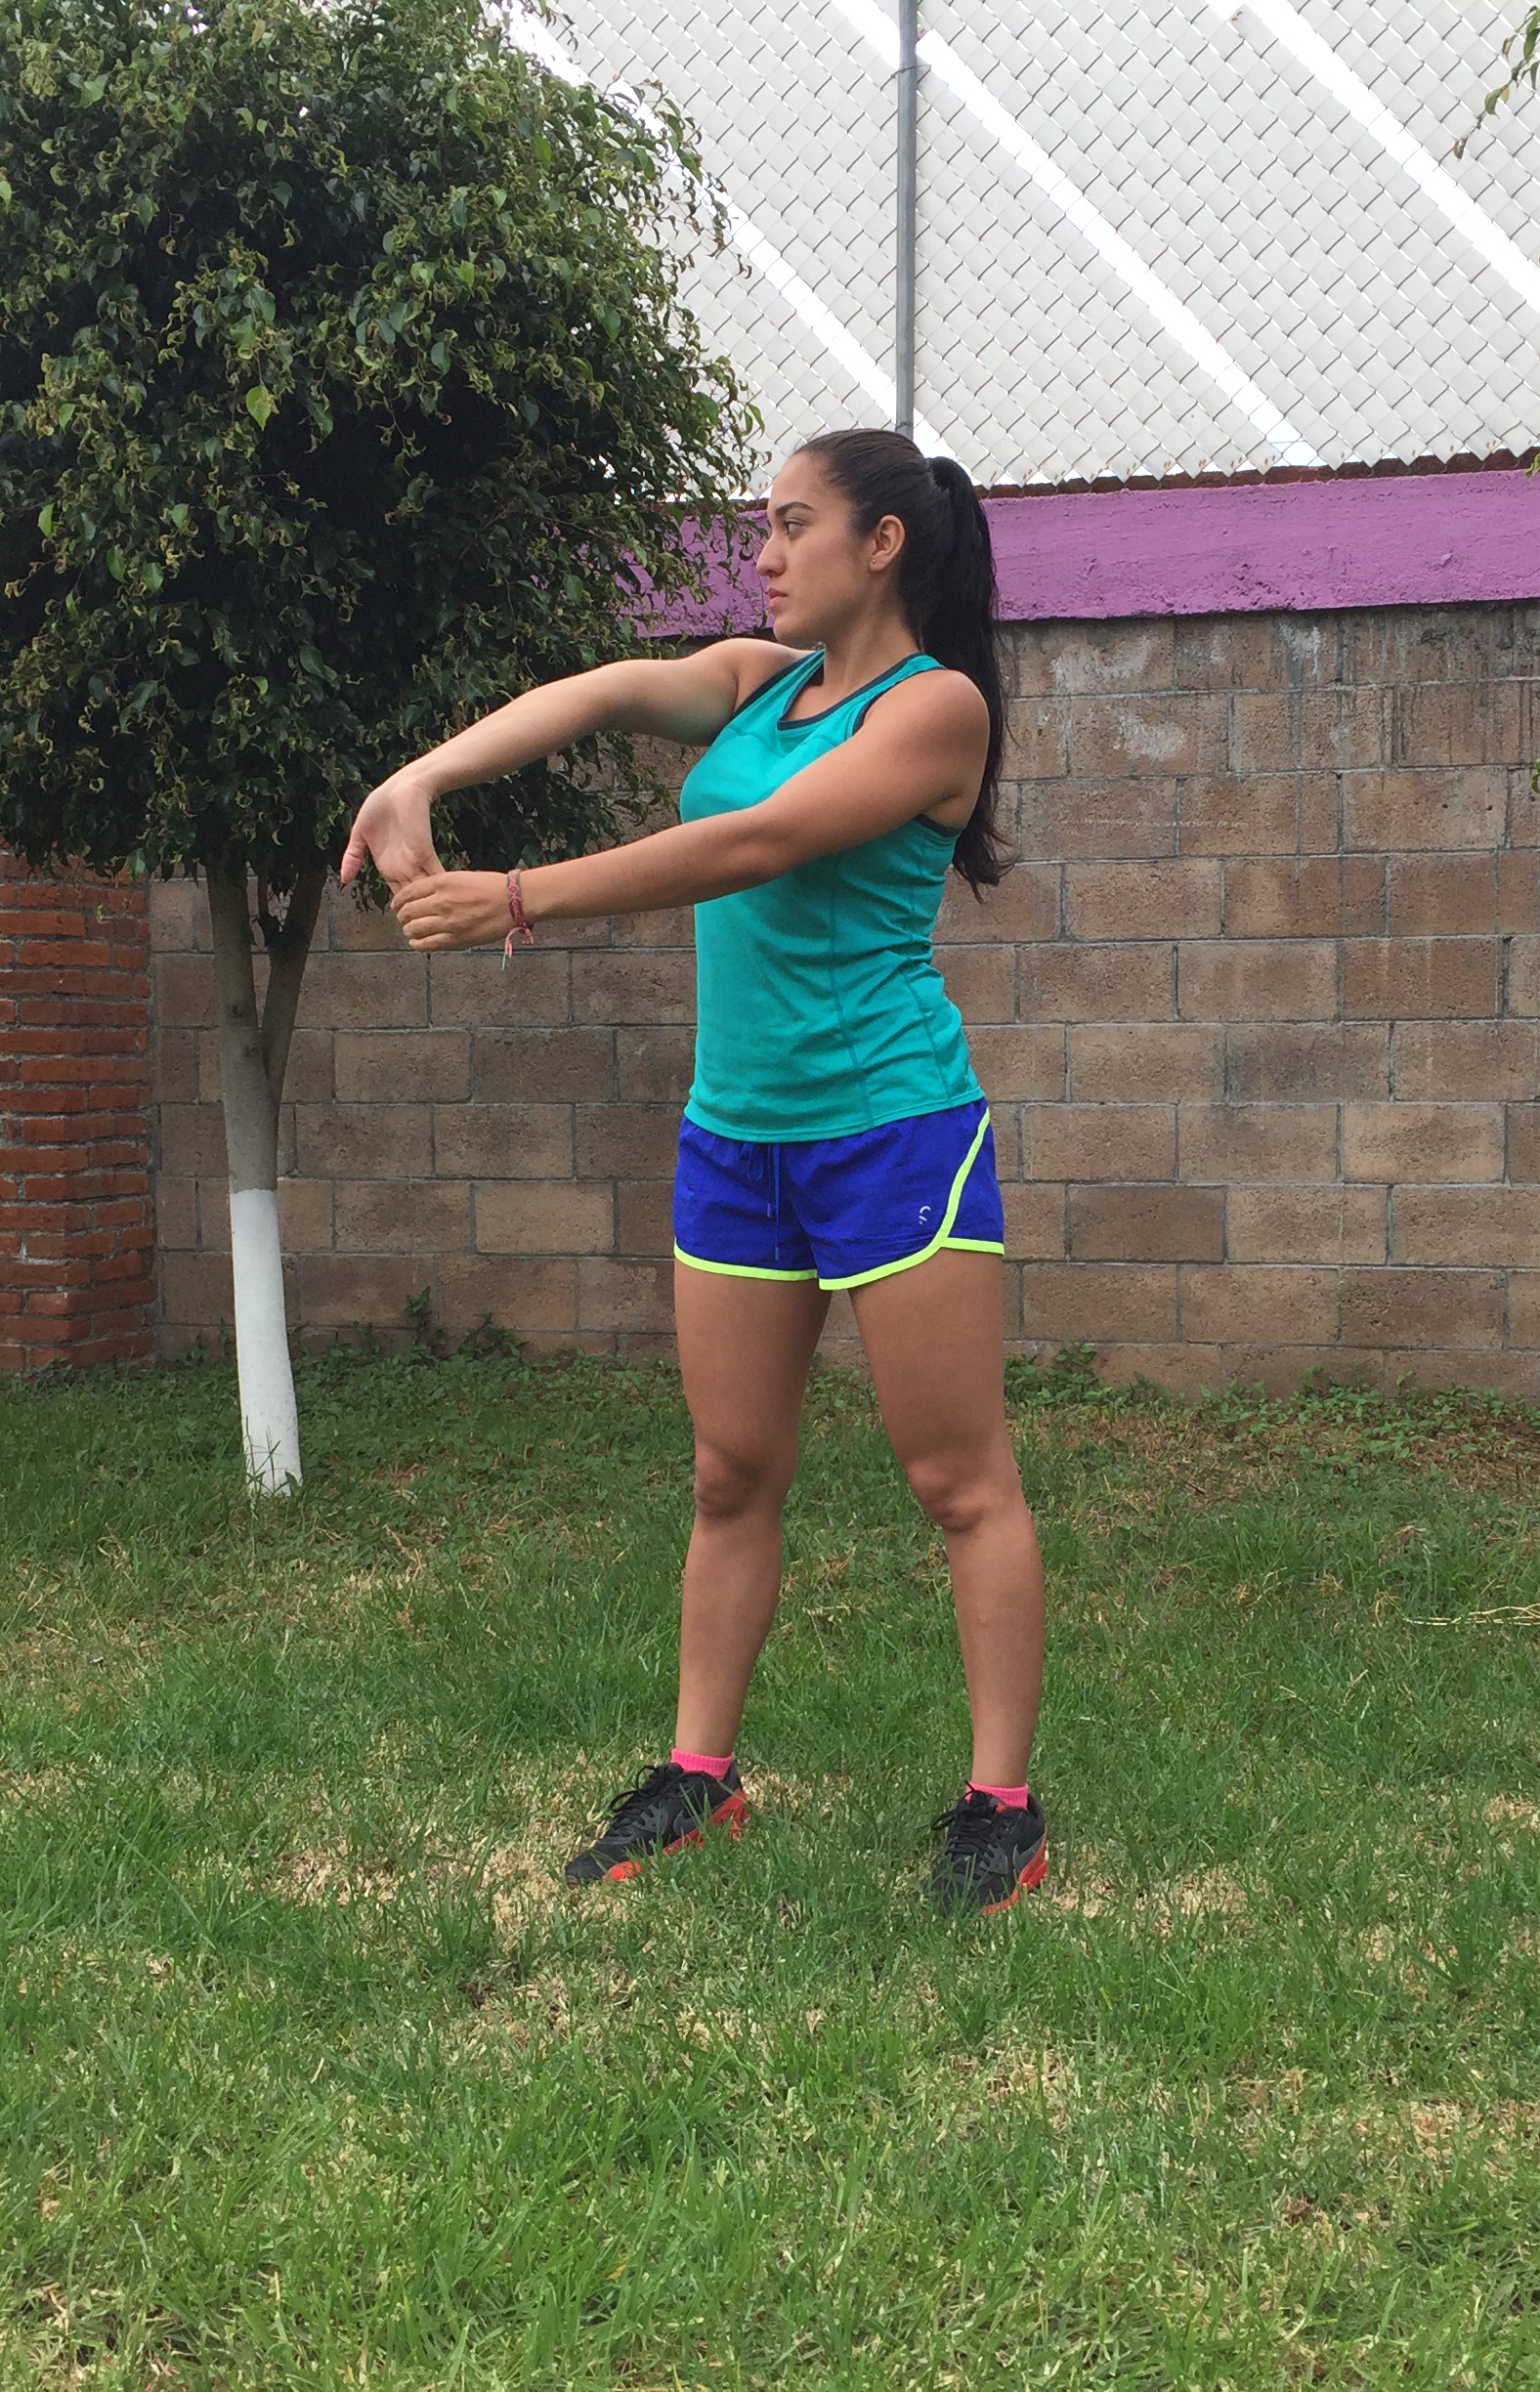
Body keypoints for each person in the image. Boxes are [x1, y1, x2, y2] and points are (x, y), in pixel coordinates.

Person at [339, 429, 1050, 1916]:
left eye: (793, 525)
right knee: (730, 1473)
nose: (764, 555)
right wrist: (422, 775)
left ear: (882, 545)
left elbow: (762, 842)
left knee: (956, 1479)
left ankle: (1002, 1806)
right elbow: (603, 692)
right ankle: (700, 1778)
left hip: (890, 1133)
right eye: (762, 527)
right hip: (736, 1137)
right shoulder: (758, 684)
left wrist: (517, 896)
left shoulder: (938, 711)